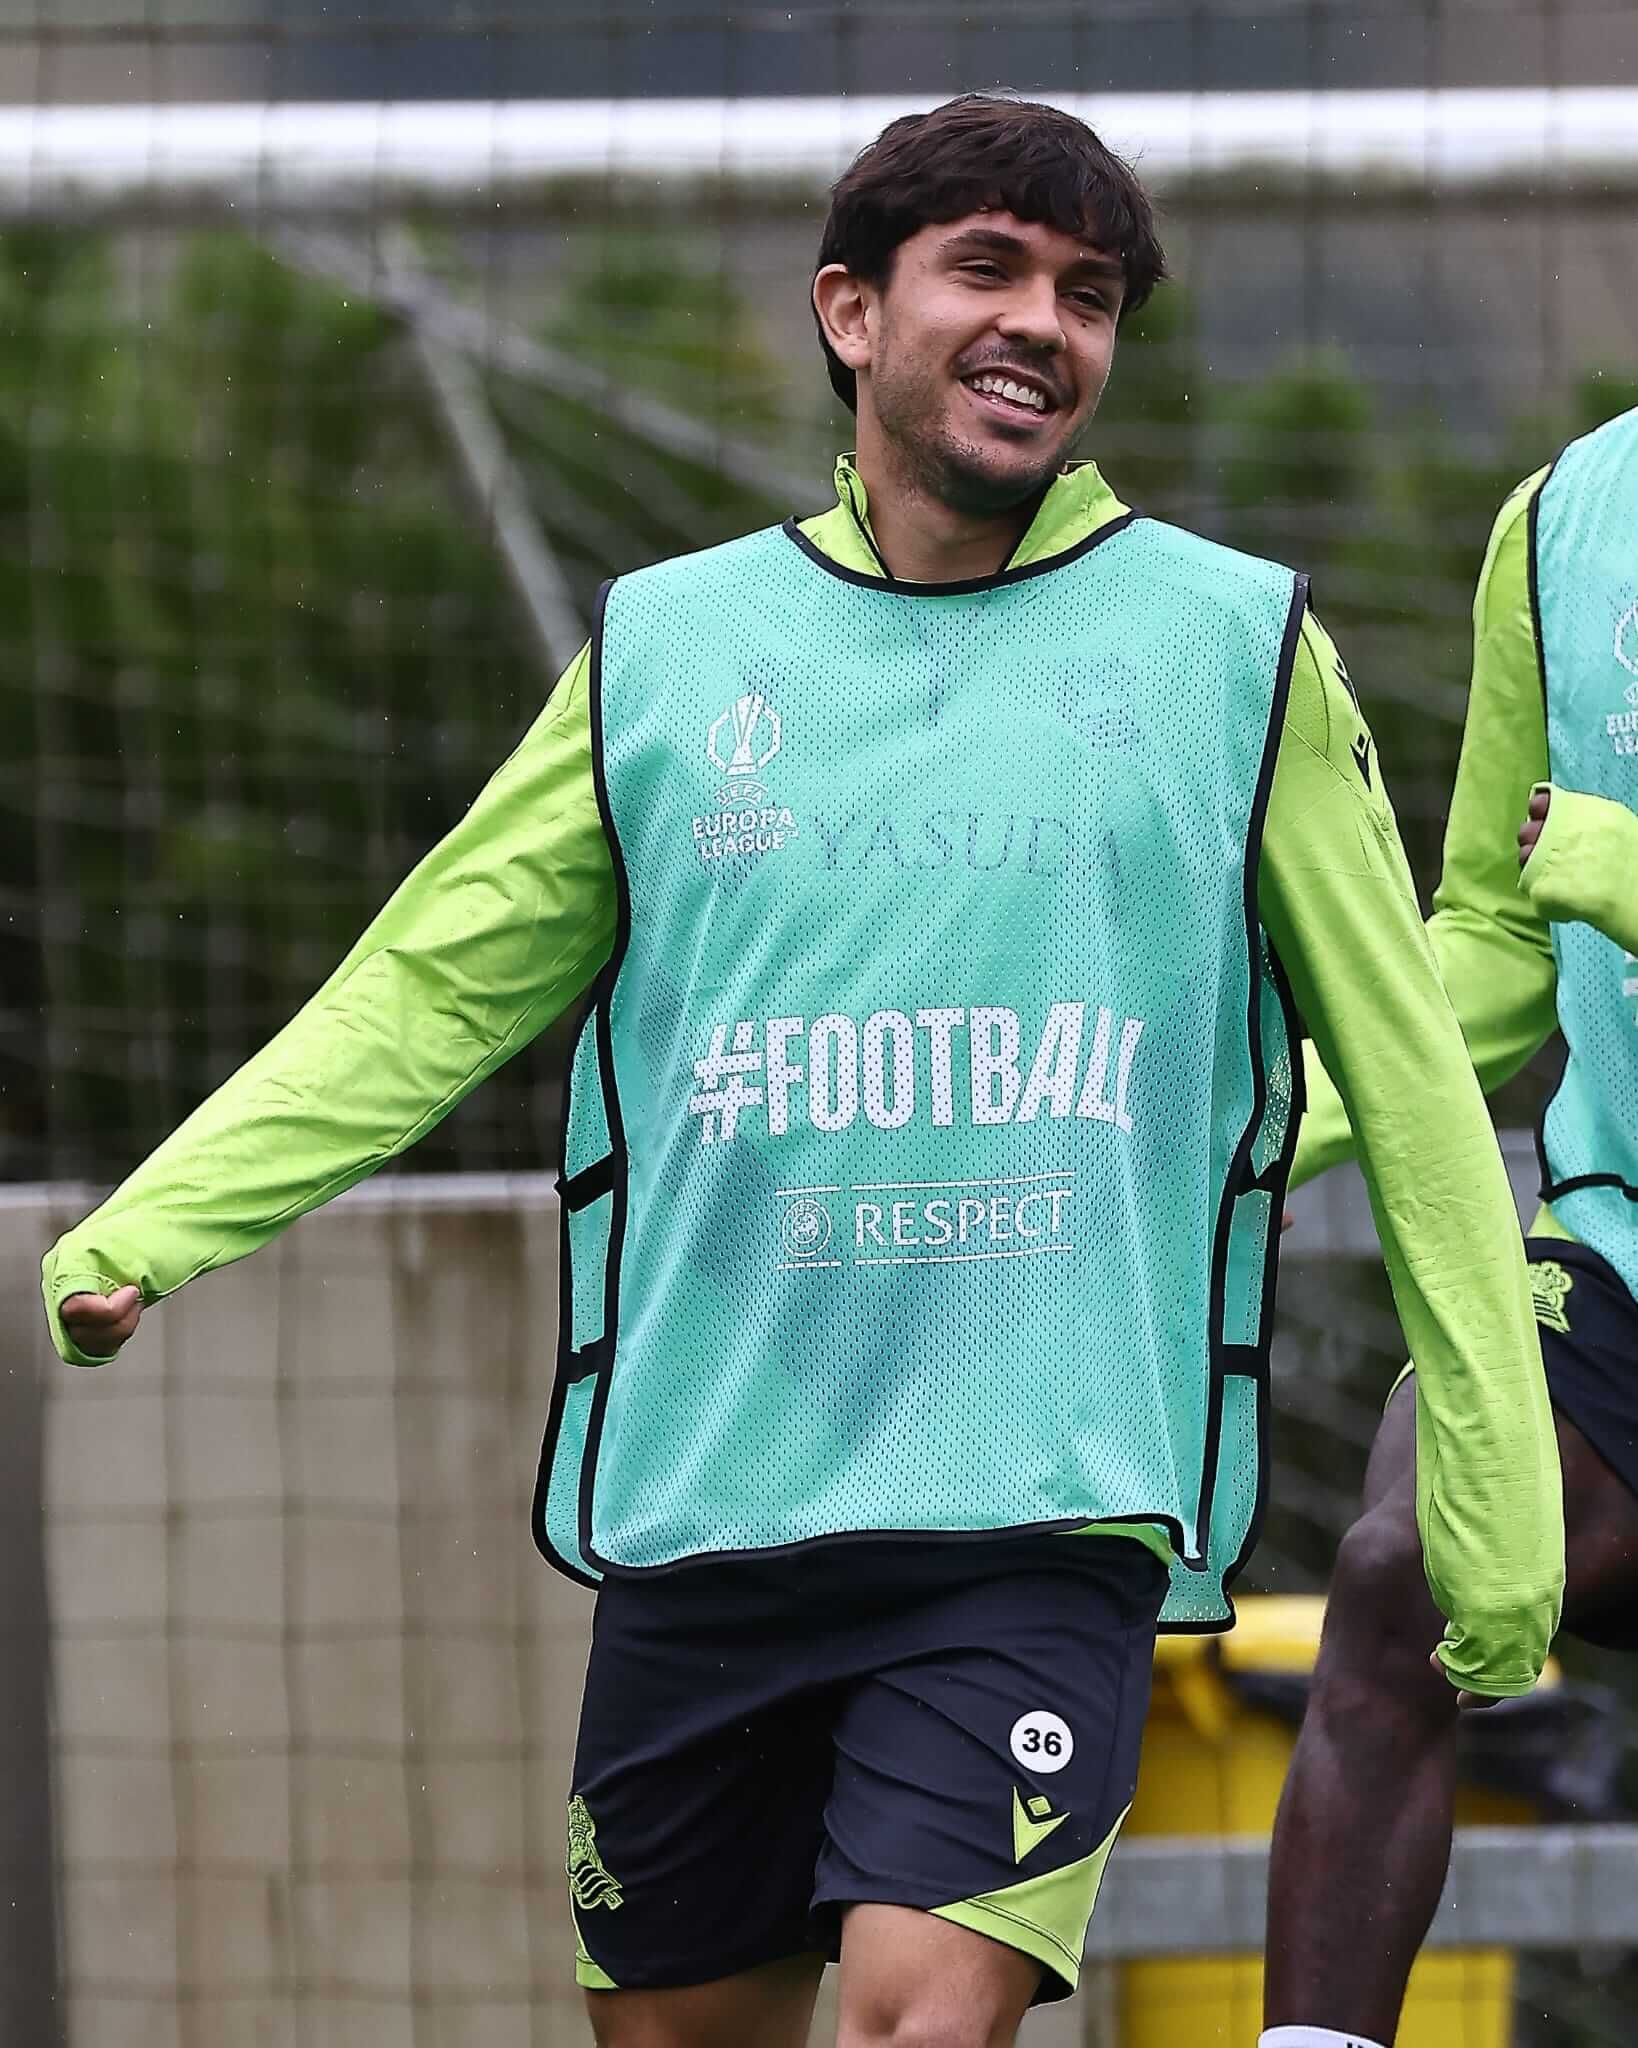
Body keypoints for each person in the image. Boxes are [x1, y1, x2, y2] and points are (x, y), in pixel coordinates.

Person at [42, 95, 1563, 2048]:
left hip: (1033, 1512)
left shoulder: (1233, 651)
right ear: (852, 310)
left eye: (1090, 295)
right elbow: (422, 987)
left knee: (912, 2022)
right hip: (714, 1513)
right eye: (991, 269)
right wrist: (161, 1226)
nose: (1047, 325)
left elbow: (1421, 1088)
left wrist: (1493, 1498)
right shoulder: (672, 655)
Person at [1261, 405, 1638, 2048]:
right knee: (1402, 1562)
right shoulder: (1562, 518)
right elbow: (1493, 930)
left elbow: (1599, 873)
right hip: (1618, 1244)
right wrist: (1236, 1133)